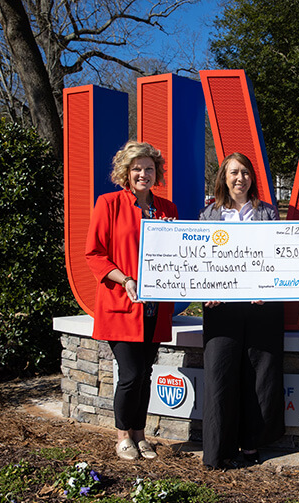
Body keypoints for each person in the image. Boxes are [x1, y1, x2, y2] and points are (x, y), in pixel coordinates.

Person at [85, 140, 178, 461]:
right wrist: (124, 279)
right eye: (137, 168)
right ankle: (123, 436)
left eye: (149, 169)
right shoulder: (108, 203)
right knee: (131, 374)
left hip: (154, 308)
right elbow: (94, 254)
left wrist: (173, 237)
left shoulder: (167, 209)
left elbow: (177, 253)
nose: (143, 174)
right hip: (121, 305)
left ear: (157, 173)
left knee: (146, 373)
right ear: (126, 172)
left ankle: (140, 435)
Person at [199, 152, 285, 469]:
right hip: (220, 310)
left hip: (261, 310)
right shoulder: (208, 215)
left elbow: (278, 257)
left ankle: (251, 444)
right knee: (220, 377)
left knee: (259, 378)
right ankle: (219, 451)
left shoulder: (267, 214)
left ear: (252, 178)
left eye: (245, 173)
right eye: (234, 172)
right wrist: (204, 291)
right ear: (223, 177)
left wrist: (269, 287)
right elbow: (198, 261)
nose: (240, 178)